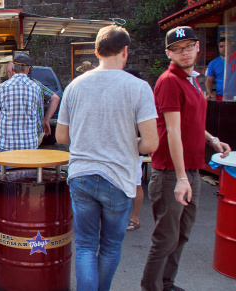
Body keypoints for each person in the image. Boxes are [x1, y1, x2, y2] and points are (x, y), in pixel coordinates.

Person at [55, 25, 159, 291]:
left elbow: (62, 137)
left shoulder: (75, 85)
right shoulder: (139, 87)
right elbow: (150, 143)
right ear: (125, 51)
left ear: (96, 52)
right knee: (111, 246)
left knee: (86, 246)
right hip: (119, 178)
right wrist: (124, 142)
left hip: (81, 175)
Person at [141, 26, 231, 291]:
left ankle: (167, 284)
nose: (184, 52)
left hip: (191, 170)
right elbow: (172, 131)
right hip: (172, 173)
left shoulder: (192, 79)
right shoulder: (169, 80)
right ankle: (152, 287)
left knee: (181, 235)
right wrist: (181, 178)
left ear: (198, 48)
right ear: (168, 52)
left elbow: (189, 122)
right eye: (177, 49)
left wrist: (211, 139)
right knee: (166, 237)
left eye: (188, 46)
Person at [0, 54, 60, 151]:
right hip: (29, 143)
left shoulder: (2, 87)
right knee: (27, 166)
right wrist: (46, 120)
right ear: (28, 69)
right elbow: (37, 110)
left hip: (7, 143)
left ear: (13, 68)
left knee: (6, 166)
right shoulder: (36, 87)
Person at [123, 67, 146, 231]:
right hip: (119, 149)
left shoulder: (139, 99)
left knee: (136, 184)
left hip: (133, 149)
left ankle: (135, 217)